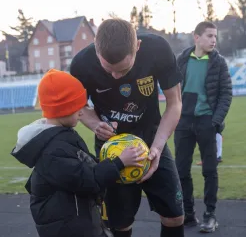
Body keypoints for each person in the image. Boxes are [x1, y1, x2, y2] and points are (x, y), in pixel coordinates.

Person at [70, 18, 184, 237]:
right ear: (96, 50)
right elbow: (80, 107)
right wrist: (95, 124)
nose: (115, 77)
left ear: (137, 47)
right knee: (119, 222)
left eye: (123, 70)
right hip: (111, 148)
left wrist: (158, 147)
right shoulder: (81, 64)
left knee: (175, 215)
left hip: (152, 139)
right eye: (108, 70)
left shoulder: (157, 49)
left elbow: (175, 103)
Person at [10, 69, 146, 237]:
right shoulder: (52, 150)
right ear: (63, 110)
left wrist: (110, 151)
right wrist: (119, 162)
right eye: (77, 108)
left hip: (78, 221)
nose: (82, 112)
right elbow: (88, 179)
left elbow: (82, 164)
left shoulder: (61, 136)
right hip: (67, 229)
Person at [174, 21, 232, 233]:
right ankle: (188, 214)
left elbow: (226, 93)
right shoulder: (182, 59)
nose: (214, 40)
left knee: (209, 170)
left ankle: (210, 215)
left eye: (215, 36)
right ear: (196, 37)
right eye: (209, 36)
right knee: (181, 171)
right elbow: (173, 88)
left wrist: (215, 121)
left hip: (208, 122)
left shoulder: (219, 62)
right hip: (184, 122)